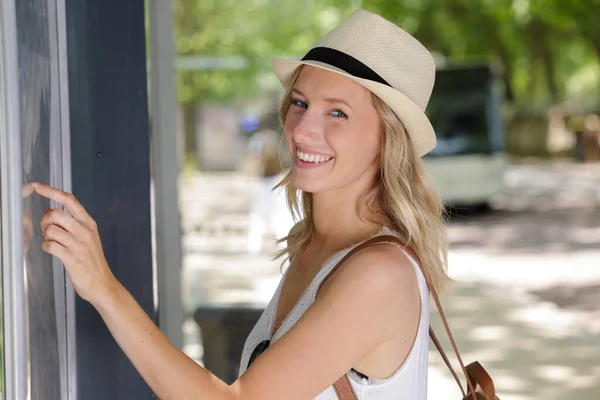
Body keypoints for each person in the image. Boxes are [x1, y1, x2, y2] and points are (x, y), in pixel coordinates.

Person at [33, 9, 450, 399]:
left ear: (388, 139)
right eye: (300, 104)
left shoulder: (379, 275)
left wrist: (103, 287)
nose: (302, 130)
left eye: (337, 113)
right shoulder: (316, 248)